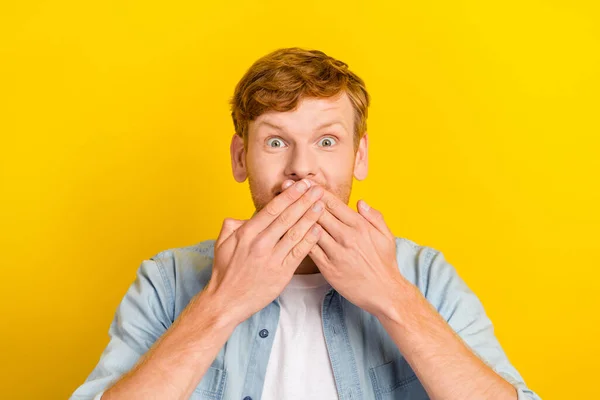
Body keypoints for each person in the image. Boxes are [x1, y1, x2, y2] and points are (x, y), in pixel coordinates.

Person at [70, 47, 541, 400]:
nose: (302, 168)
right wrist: (222, 303)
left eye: (327, 141)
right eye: (276, 143)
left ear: (360, 156)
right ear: (241, 159)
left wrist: (394, 299)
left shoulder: (425, 276)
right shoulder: (167, 281)